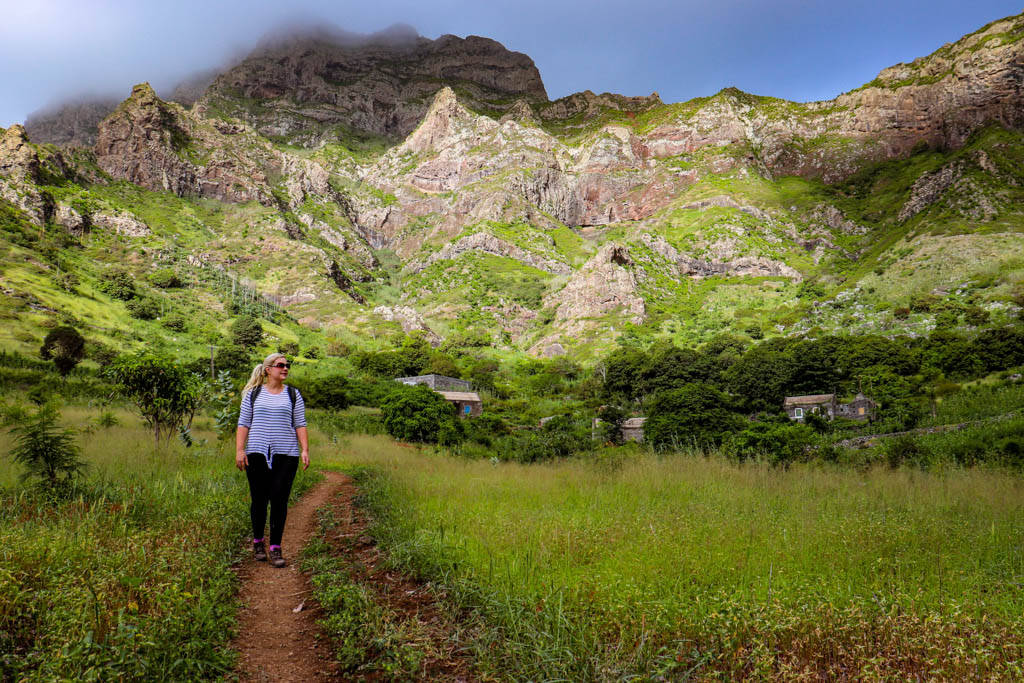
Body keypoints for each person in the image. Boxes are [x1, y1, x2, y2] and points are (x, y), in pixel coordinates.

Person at [236, 352, 309, 568]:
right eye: (280, 365)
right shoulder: (253, 394)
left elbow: (300, 424)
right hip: (256, 453)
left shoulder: (293, 395)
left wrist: (305, 449)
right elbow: (243, 423)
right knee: (259, 500)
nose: (285, 368)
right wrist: (240, 450)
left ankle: (275, 547)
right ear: (268, 369)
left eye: (288, 365)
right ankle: (258, 542)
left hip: (286, 454)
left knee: (279, 500)